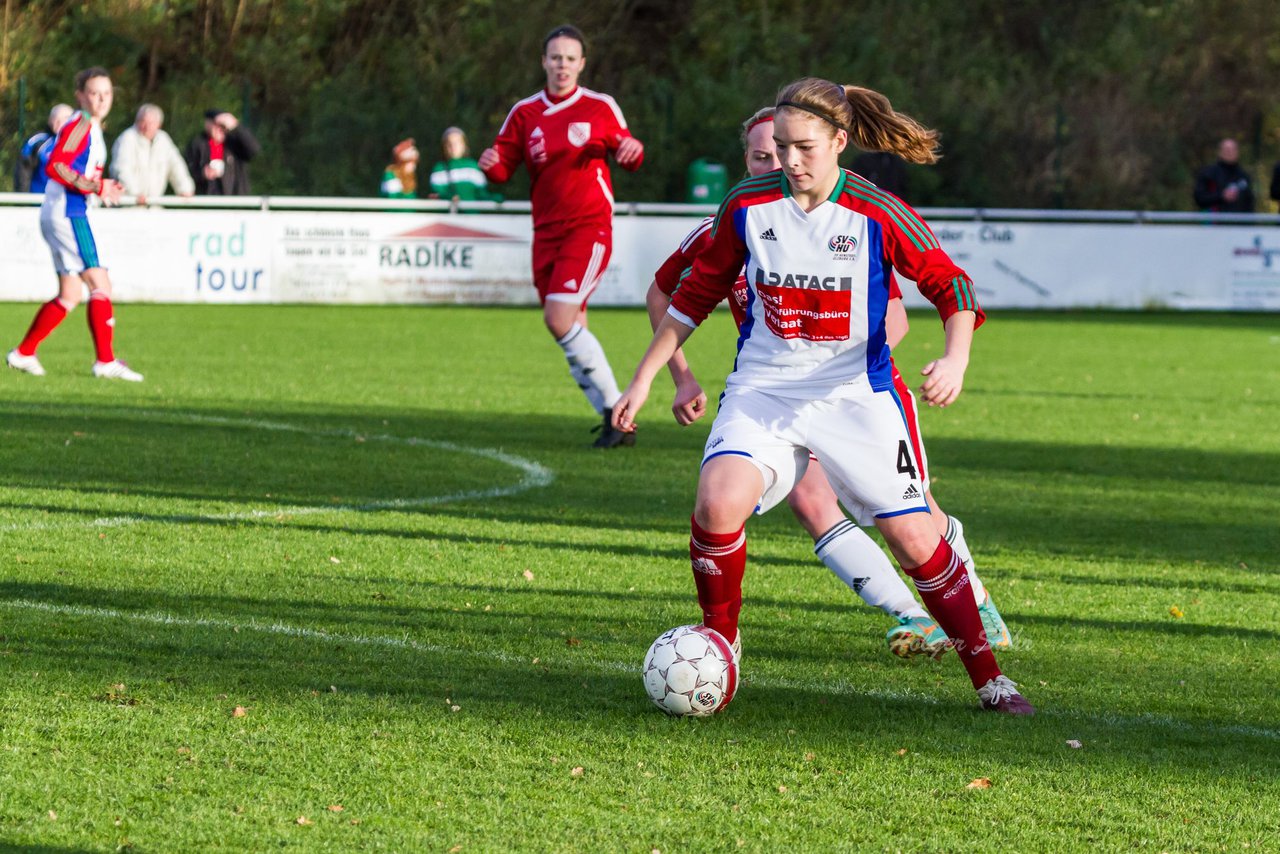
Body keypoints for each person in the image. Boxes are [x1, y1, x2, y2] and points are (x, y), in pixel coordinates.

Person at [614, 77, 1033, 714]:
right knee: (716, 502)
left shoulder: (877, 212)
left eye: (803, 146)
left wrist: (956, 355)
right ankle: (721, 650)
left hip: (855, 395)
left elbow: (953, 286)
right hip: (764, 389)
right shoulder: (747, 205)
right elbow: (693, 294)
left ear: (840, 141)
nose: (789, 160)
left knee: (917, 540)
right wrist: (648, 377)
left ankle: (990, 677)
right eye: (779, 146)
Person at [478, 24, 645, 448]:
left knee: (558, 319)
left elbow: (630, 151)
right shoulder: (524, 113)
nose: (562, 65)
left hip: (588, 227)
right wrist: (490, 164)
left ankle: (615, 412)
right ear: (544, 62)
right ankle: (615, 422)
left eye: (570, 58)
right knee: (572, 327)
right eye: (555, 57)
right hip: (545, 232)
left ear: (582, 64)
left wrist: (632, 152)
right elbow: (503, 170)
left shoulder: (599, 106)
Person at [6, 67, 143, 382]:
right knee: (101, 284)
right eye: (94, 93)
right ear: (80, 95)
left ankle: (24, 353)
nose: (100, 99)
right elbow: (56, 166)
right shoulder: (81, 124)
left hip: (58, 211)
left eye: (106, 93)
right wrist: (97, 188)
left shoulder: (89, 126)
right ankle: (105, 361)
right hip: (69, 213)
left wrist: (99, 184)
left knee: (69, 293)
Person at [110, 103, 195, 204]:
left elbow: (176, 165)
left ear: (159, 124)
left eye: (151, 123)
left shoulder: (164, 140)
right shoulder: (127, 139)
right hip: (128, 204)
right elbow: (121, 169)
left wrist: (185, 188)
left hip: (154, 205)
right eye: (142, 121)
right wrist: (136, 193)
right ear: (136, 121)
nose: (146, 126)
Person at [185, 109, 260, 195]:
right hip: (207, 201)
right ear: (208, 125)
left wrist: (236, 127)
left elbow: (254, 150)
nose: (220, 129)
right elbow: (185, 170)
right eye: (217, 125)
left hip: (234, 200)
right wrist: (202, 173)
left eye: (223, 126)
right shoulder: (197, 144)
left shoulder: (234, 143)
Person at [14, 104, 74, 193]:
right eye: (55, 118)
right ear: (50, 120)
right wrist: (24, 197)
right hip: (38, 201)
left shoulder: (79, 144)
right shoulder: (36, 141)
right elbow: (23, 170)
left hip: (67, 202)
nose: (59, 122)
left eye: (64, 118)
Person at [429, 128, 500, 202]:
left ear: (464, 145)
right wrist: (447, 197)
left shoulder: (473, 166)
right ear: (444, 147)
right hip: (449, 213)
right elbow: (437, 194)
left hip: (471, 213)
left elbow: (482, 194)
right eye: (449, 143)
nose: (453, 146)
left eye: (457, 142)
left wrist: (494, 199)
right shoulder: (439, 168)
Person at [1193, 138, 1254, 213]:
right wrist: (1221, 196)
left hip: (1239, 223)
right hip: (1215, 222)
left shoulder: (1244, 176)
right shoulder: (1208, 174)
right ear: (1220, 152)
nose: (1229, 152)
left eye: (1232, 149)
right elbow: (1199, 198)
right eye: (1226, 149)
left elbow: (1249, 203)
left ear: (1237, 152)